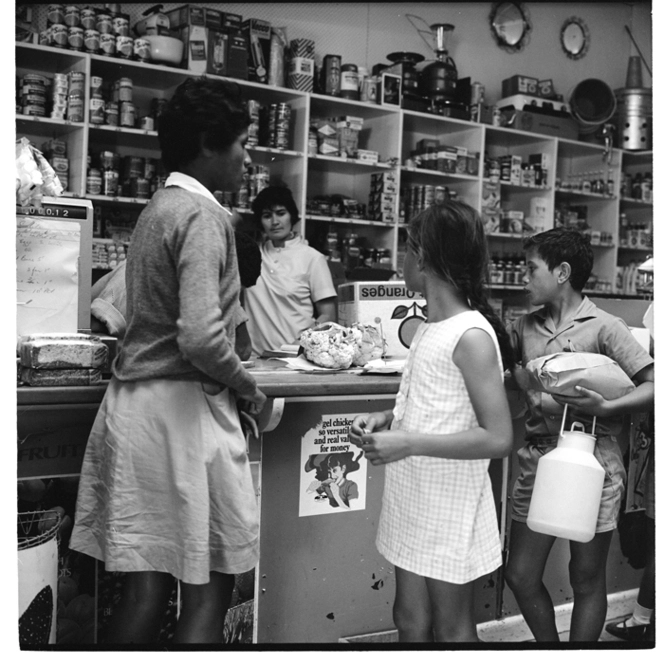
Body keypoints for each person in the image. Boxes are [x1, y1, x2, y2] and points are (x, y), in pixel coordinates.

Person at [69, 77, 266, 644]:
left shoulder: (161, 205)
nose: (247, 158)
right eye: (242, 143)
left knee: (146, 586)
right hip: (182, 416)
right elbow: (203, 339)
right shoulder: (205, 217)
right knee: (210, 585)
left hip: (134, 410)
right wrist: (249, 387)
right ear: (209, 141)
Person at [349, 201, 514, 642]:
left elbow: (498, 437)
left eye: (406, 248)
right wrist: (388, 417)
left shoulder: (472, 336)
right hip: (414, 494)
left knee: (453, 628)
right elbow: (437, 403)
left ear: (422, 257)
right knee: (409, 617)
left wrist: (408, 443)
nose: (402, 259)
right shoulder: (429, 326)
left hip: (450, 502)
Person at [503, 228, 654, 643]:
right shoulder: (522, 327)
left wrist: (607, 408)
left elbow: (653, 384)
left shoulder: (605, 326)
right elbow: (509, 377)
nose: (524, 278)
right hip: (538, 459)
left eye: (531, 269)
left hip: (594, 460)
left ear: (562, 272)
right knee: (520, 574)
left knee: (586, 577)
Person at [243, 185, 337, 356]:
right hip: (254, 359)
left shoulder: (313, 258)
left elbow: (328, 315)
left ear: (291, 216)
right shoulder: (251, 255)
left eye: (281, 213)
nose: (275, 222)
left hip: (297, 359)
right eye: (267, 216)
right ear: (260, 222)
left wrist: (301, 344)